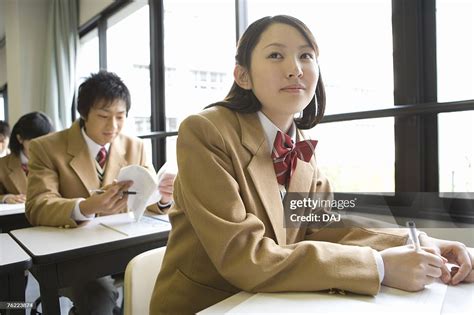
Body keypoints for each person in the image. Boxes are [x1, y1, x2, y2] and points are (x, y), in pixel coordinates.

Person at [149, 15, 474, 314]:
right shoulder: (206, 131)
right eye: (276, 55)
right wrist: (380, 266)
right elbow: (241, 255)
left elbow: (327, 224)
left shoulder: (299, 143)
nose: (296, 69)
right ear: (242, 75)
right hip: (211, 304)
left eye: (306, 55)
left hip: (275, 300)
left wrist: (416, 243)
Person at [26, 71, 175, 314]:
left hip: (126, 245)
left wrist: (164, 198)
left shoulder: (134, 145)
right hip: (76, 255)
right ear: (84, 114)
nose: (113, 126)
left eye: (120, 116)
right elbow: (37, 206)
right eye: (104, 116)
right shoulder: (46, 148)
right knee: (98, 296)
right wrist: (88, 206)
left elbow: (148, 198)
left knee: (167, 275)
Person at [0, 112, 54, 204]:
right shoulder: (3, 165)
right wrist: (5, 198)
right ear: (20, 138)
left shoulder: (57, 161)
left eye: (45, 140)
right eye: (35, 141)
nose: (41, 146)